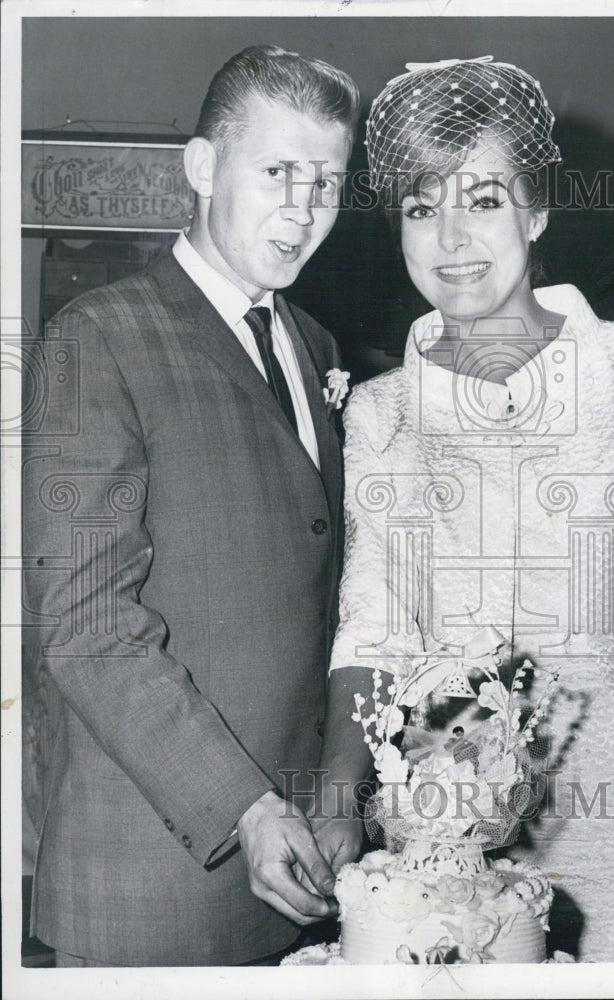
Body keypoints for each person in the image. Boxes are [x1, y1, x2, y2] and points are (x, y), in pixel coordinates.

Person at [313, 56, 614, 962]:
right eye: (420, 208)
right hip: (458, 879)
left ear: (538, 211)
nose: (451, 237)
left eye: (483, 199)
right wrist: (336, 807)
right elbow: (373, 632)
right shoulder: (382, 415)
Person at [22, 44, 359, 966]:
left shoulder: (317, 345)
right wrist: (247, 808)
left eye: (327, 183)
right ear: (204, 167)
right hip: (149, 892)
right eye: (278, 172)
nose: (304, 210)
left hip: (296, 879)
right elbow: (87, 627)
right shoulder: (94, 339)